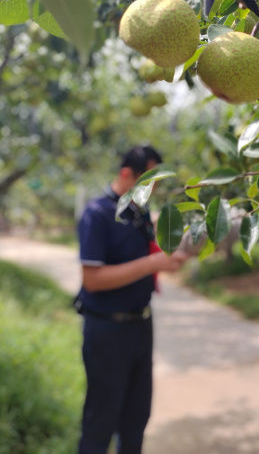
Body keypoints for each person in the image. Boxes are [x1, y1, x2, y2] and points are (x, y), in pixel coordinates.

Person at [75, 145, 189, 454]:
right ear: (127, 174)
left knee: (136, 417)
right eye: (149, 181)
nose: (153, 189)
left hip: (141, 325)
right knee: (101, 420)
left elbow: (145, 258)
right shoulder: (98, 214)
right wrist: (152, 265)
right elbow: (92, 280)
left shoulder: (138, 214)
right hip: (108, 330)